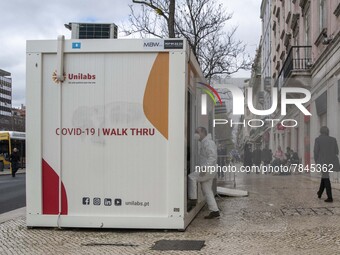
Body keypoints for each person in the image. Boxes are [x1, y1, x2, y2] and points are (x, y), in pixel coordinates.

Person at [192, 127, 220, 219]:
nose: (196, 133)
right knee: (207, 190)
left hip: (208, 169)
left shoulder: (208, 142)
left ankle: (192, 200)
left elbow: (212, 156)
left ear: (203, 133)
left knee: (191, 177)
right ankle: (215, 211)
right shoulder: (204, 142)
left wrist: (205, 168)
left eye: (197, 132)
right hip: (209, 169)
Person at [314, 126, 339, 203]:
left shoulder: (318, 140)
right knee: (325, 176)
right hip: (331, 161)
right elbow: (337, 151)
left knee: (326, 177)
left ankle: (330, 197)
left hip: (322, 161)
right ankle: (320, 193)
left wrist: (317, 162)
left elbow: (315, 152)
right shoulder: (333, 139)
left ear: (321, 132)